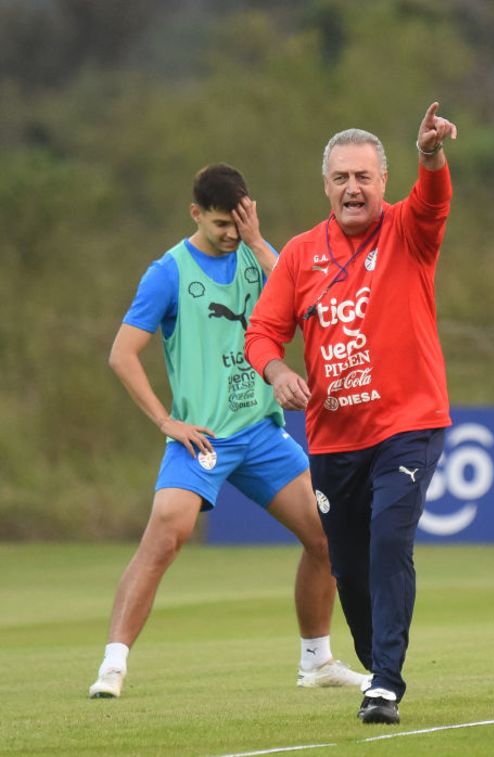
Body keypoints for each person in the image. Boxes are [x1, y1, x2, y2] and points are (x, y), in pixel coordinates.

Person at [90, 164, 365, 699]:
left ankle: (317, 662)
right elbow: (122, 355)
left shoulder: (258, 256)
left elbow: (314, 297)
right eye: (220, 224)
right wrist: (166, 421)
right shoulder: (167, 272)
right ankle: (112, 666)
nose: (229, 234)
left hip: (261, 432)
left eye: (237, 223)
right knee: (166, 535)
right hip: (203, 439)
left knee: (327, 537)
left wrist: (258, 240)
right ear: (196, 214)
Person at [244, 103, 458, 725]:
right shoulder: (300, 256)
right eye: (341, 178)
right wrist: (278, 371)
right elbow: (263, 332)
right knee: (350, 568)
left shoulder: (409, 231)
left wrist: (431, 156)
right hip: (335, 440)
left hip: (409, 424)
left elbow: (435, 200)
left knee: (392, 537)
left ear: (383, 183)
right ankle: (374, 656)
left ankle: (385, 682)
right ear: (326, 187)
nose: (353, 188)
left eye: (363, 176)